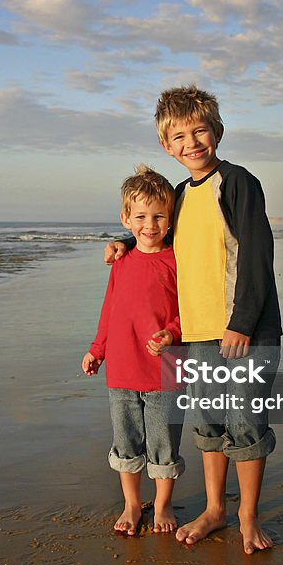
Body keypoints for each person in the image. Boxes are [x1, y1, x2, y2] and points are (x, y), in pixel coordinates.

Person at [106, 85, 282, 554]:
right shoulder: (180, 193)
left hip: (244, 330)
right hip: (198, 331)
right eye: (179, 136)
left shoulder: (238, 182)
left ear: (217, 131)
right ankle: (214, 509)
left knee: (245, 423)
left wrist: (243, 321)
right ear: (166, 145)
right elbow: (153, 228)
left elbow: (258, 255)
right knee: (208, 423)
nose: (192, 142)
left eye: (200, 130)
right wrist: (123, 240)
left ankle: (247, 516)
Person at [83, 165, 184, 537]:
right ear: (126, 218)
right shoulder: (121, 260)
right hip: (123, 369)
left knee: (163, 441)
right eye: (140, 216)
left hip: (165, 370)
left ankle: (162, 503)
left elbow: (189, 311)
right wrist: (98, 349)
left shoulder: (177, 261)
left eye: (159, 216)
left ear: (171, 219)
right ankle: (130, 503)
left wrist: (172, 334)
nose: (150, 224)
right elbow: (110, 309)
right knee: (125, 440)